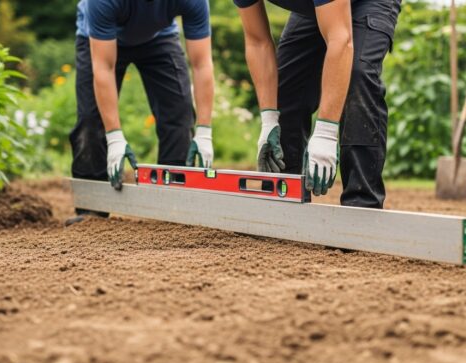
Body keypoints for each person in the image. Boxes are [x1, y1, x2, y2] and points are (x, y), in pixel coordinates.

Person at [234, 0, 401, 208]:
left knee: (357, 75)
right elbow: (257, 42)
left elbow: (341, 39)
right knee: (285, 87)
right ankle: (285, 201)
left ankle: (361, 207)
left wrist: (325, 131)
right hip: (317, 7)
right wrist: (269, 120)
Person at [67, 0, 215, 225]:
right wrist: (114, 136)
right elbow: (103, 68)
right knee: (90, 121)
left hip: (160, 37)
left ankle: (174, 201)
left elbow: (202, 63)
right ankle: (92, 210)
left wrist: (204, 131)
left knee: (179, 114)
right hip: (99, 39)